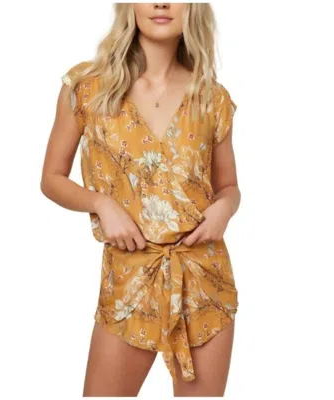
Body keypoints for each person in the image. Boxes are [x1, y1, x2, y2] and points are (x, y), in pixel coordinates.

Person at [40, 3, 240, 397]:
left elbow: (229, 186)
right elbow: (51, 178)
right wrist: (101, 204)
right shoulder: (88, 87)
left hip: (203, 279)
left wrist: (224, 209)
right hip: (129, 280)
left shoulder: (211, 97)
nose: (161, 3)